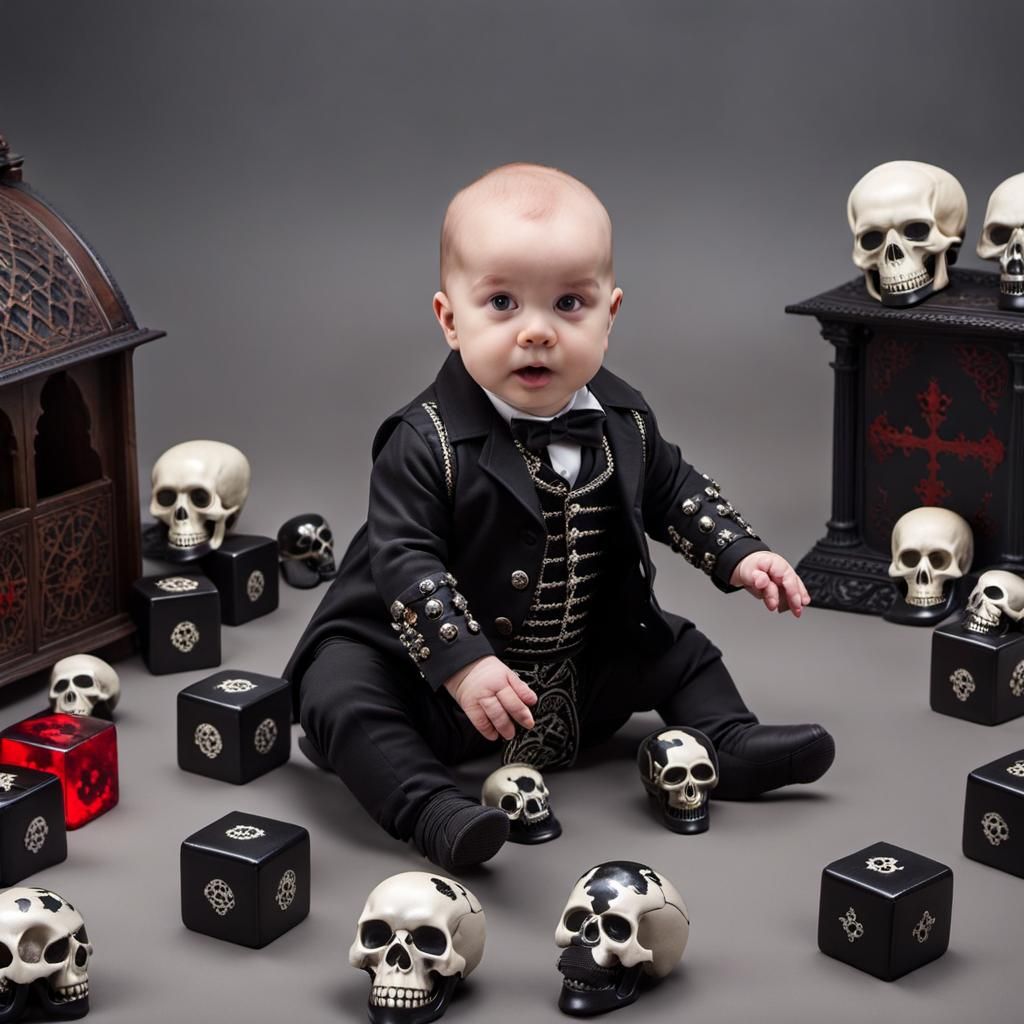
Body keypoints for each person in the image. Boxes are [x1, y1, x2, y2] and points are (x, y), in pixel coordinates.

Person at [283, 162, 835, 872]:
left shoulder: (624, 419)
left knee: (679, 649)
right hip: (429, 682)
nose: (537, 332)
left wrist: (740, 554)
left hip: (574, 666)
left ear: (611, 313)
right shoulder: (422, 442)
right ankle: (430, 808)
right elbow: (406, 562)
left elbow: (674, 490)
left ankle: (725, 739)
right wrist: (463, 665)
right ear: (451, 320)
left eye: (569, 304)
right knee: (342, 694)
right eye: (503, 304)